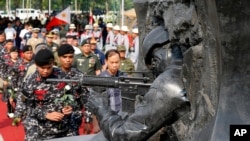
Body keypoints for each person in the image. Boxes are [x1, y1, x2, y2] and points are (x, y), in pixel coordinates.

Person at [87, 26, 190, 141]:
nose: (154, 68)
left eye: (154, 60)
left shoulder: (167, 83)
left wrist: (101, 109)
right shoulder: (185, 71)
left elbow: (123, 135)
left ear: (167, 49)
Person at [17, 49, 75, 140]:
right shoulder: (30, 81)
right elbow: (23, 107)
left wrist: (69, 106)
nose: (45, 71)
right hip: (39, 127)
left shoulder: (62, 76)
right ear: (36, 65)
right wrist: (45, 114)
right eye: (42, 68)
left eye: (49, 67)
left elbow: (70, 96)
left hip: (62, 126)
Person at [57, 44, 87, 135]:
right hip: (56, 119)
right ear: (59, 58)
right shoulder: (54, 75)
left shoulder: (79, 75)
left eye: (70, 57)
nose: (67, 60)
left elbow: (86, 97)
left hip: (74, 119)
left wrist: (88, 118)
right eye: (64, 57)